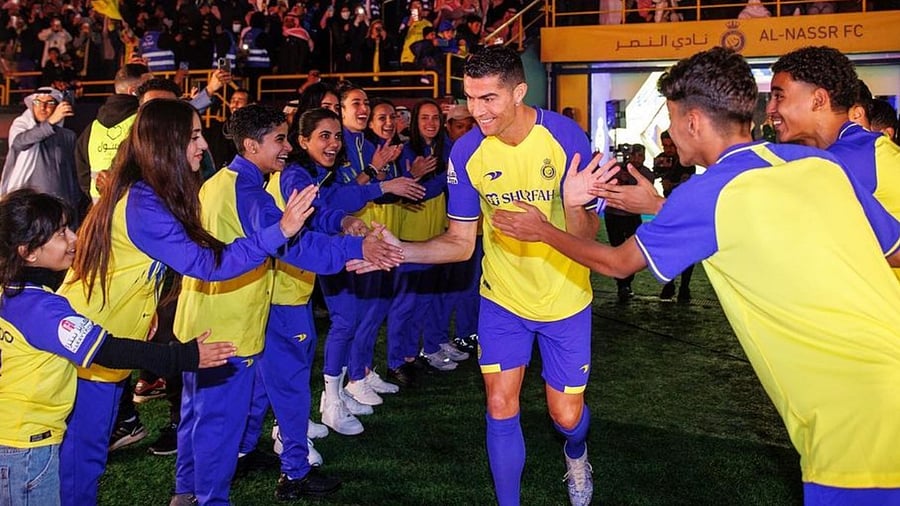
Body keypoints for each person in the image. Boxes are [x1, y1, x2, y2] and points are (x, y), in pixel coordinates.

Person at [492, 46, 900, 506]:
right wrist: (659, 209)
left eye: (670, 118)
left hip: (856, 410)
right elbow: (891, 248)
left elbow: (616, 263)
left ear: (693, 123)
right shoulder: (818, 165)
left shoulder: (708, 192)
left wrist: (542, 230)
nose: (669, 132)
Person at [57, 99, 317, 506]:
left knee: (86, 452)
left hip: (103, 341)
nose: (203, 145)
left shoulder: (146, 191)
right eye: (194, 136)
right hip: (88, 343)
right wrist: (279, 230)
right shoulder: (144, 201)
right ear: (167, 142)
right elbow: (205, 264)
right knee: (81, 456)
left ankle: (185, 494)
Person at [383, 45, 599, 506]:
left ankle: (576, 453)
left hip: (565, 300)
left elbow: (588, 238)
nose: (476, 111)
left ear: (519, 92)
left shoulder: (565, 137)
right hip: (502, 301)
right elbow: (460, 243)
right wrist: (398, 251)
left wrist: (576, 204)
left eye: (489, 99)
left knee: (566, 416)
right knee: (501, 405)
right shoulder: (466, 152)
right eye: (470, 98)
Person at [172, 104, 402, 505]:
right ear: (250, 144)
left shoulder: (224, 182)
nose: (286, 148)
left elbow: (306, 221)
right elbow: (293, 241)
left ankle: (186, 492)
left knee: (202, 416)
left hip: (205, 318)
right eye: (280, 139)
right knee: (219, 423)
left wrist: (344, 226)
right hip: (228, 327)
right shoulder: (248, 190)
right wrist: (356, 246)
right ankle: (219, 493)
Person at [0, 189, 237, 506]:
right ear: (28, 252)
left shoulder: (12, 292)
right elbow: (107, 350)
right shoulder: (41, 308)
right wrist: (185, 356)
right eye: (60, 233)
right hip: (28, 446)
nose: (73, 238)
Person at [766, 46, 900, 230]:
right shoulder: (858, 149)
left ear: (819, 100)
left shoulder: (856, 157)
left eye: (779, 96)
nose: (770, 109)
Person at [0, 87, 86, 229]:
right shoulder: (21, 127)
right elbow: (20, 142)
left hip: (60, 209)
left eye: (50, 103)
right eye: (38, 102)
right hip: (30, 210)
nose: (43, 107)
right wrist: (50, 123)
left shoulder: (67, 136)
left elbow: (72, 175)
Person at [604, 143, 654, 302]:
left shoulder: (646, 173)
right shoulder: (617, 168)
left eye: (640, 156)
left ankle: (626, 282)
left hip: (632, 216)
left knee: (633, 249)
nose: (637, 159)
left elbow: (647, 191)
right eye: (634, 155)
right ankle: (622, 284)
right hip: (614, 214)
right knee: (616, 246)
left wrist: (629, 180)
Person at [652, 130, 695, 301]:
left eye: (671, 145)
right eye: (666, 145)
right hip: (667, 208)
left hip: (684, 209)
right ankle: (669, 285)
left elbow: (687, 181)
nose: (668, 149)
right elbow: (655, 174)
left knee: (687, 248)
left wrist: (673, 183)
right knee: (669, 248)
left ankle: (684, 286)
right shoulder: (662, 159)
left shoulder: (686, 160)